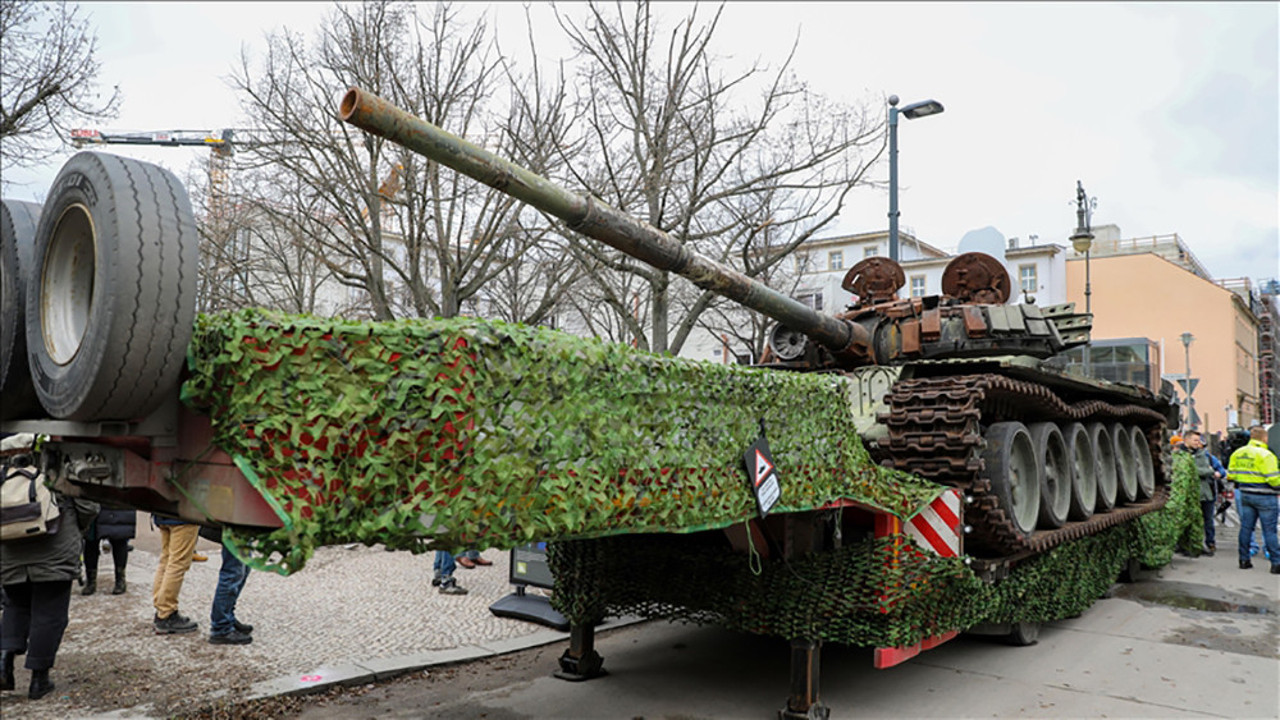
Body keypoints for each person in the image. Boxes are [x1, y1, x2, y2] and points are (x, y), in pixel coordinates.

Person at [1, 434, 99, 700]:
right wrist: (77, 528)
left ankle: (4, 663)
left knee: (15, 605)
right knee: (50, 612)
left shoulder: (3, 470)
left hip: (10, 550)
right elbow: (87, 504)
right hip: (54, 549)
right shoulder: (60, 461)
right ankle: (38, 680)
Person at [1226, 425, 1280, 572]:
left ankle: (1244, 560)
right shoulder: (1266, 455)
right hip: (1265, 497)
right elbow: (1274, 480)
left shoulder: (1238, 453)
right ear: (1264, 438)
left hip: (1245, 494)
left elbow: (1231, 475)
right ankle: (1276, 563)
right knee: (1270, 531)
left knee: (1246, 528)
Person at [200, 526, 254, 645]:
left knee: (243, 570)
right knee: (233, 573)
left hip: (242, 526)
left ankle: (227, 616)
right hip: (235, 524)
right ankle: (221, 628)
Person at [150, 514, 201, 633]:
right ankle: (166, 612)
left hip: (162, 514)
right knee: (177, 564)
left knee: (166, 561)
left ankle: (161, 608)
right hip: (184, 517)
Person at [1184, 430, 1226, 556]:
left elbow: (1221, 471)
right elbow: (1191, 471)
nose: (1198, 443)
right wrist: (1209, 472)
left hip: (1207, 494)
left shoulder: (1207, 456)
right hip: (1189, 494)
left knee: (1208, 520)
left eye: (1199, 440)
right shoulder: (1181, 455)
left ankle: (1210, 543)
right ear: (1186, 440)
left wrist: (1218, 473)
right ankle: (1190, 545)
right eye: (1195, 440)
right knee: (1190, 521)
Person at [81, 505, 136, 595]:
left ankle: (120, 580)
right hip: (94, 501)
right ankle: (91, 581)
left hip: (116, 501)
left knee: (119, 538)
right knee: (91, 541)